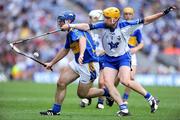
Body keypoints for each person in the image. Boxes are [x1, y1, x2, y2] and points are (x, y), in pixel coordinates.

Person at [61, 6, 176, 116]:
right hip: (109, 59)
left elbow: (146, 20)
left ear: (114, 19)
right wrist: (71, 25)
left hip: (123, 57)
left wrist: (163, 13)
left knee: (126, 81)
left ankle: (151, 98)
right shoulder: (103, 25)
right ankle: (123, 109)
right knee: (108, 84)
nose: (103, 19)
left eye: (106, 17)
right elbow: (86, 26)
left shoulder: (126, 25)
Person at [40, 11, 111, 116]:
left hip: (89, 64)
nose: (59, 22)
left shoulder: (75, 31)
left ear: (68, 21)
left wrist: (82, 54)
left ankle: (107, 92)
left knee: (82, 94)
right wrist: (52, 63)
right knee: (61, 83)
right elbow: (65, 50)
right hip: (78, 62)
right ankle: (55, 111)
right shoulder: (70, 33)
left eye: (61, 20)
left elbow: (82, 40)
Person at [80, 10, 106, 109]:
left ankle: (101, 101)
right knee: (90, 79)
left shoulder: (103, 29)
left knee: (101, 82)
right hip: (92, 57)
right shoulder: (88, 29)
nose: (90, 20)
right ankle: (88, 97)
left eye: (92, 18)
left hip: (103, 57)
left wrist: (103, 52)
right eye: (90, 18)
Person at [121, 7, 144, 104]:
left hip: (131, 56)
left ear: (133, 15)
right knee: (117, 78)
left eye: (130, 14)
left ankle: (125, 99)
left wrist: (136, 48)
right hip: (119, 55)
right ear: (123, 14)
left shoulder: (136, 28)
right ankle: (109, 94)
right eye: (126, 13)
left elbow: (141, 43)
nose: (128, 15)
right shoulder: (119, 25)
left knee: (131, 78)